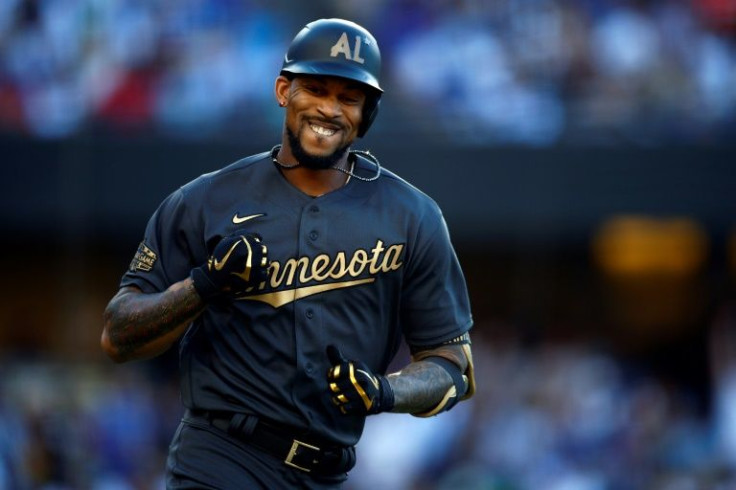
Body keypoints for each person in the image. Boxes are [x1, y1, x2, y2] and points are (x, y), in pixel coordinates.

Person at [101, 18, 475, 489]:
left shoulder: (413, 216)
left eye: (348, 97)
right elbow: (119, 335)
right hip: (219, 459)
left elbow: (451, 366)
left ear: (369, 113)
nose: (328, 109)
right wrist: (203, 286)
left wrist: (386, 392)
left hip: (329, 472)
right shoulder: (205, 200)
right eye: (314, 89)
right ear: (283, 90)